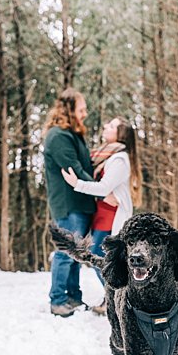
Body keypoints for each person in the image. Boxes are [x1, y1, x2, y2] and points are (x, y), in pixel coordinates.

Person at [62, 117, 143, 314]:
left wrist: (77, 184)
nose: (106, 126)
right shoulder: (108, 155)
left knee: (101, 257)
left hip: (111, 216)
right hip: (102, 214)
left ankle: (119, 299)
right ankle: (113, 299)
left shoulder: (119, 159)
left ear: (120, 135)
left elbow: (104, 187)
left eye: (112, 126)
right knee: (104, 258)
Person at [43, 88, 97, 317]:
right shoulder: (58, 136)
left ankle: (74, 296)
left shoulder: (73, 134)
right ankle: (58, 300)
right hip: (68, 204)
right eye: (81, 109)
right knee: (66, 252)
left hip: (81, 202)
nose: (85, 113)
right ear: (69, 109)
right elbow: (73, 170)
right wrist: (101, 191)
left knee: (77, 253)